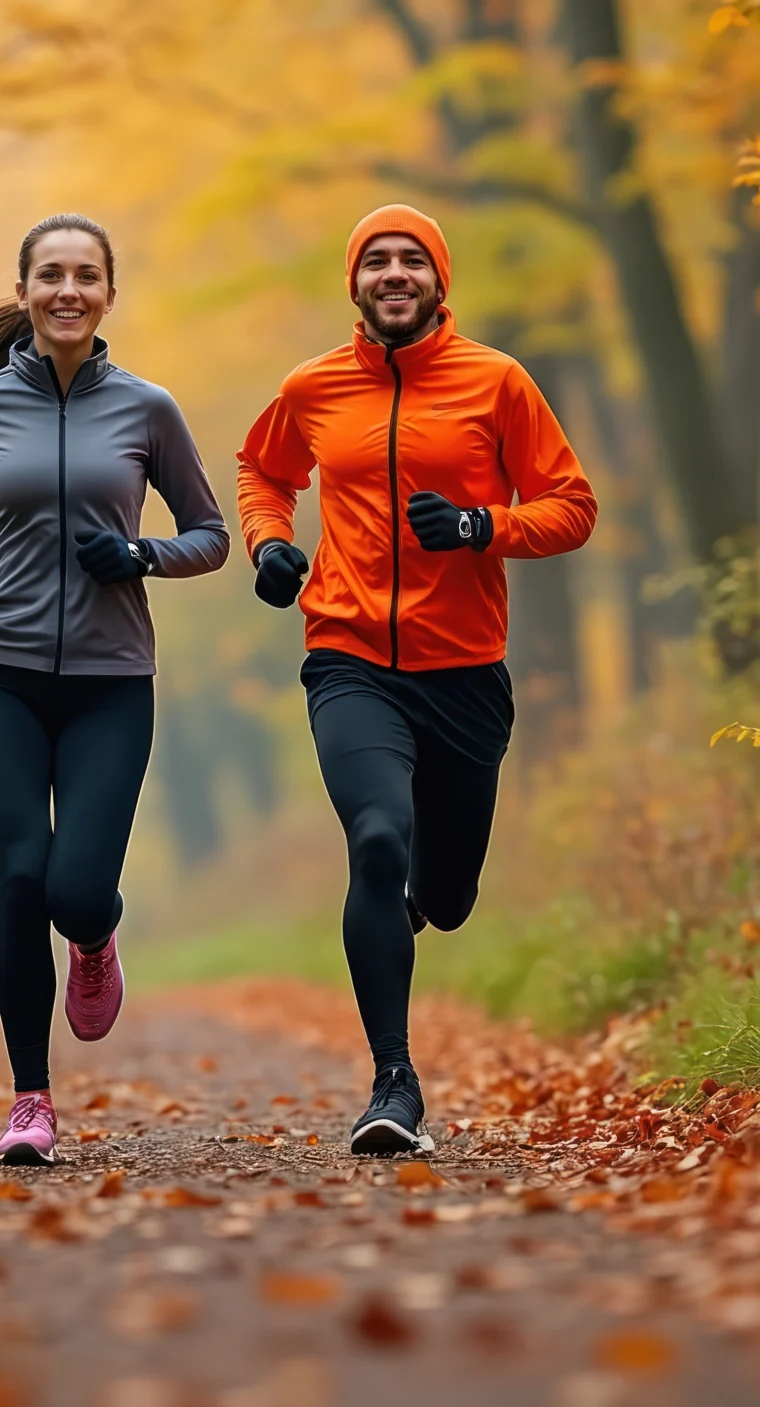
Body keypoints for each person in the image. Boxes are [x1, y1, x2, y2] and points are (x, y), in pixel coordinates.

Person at [237, 204, 597, 1156]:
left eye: (411, 261)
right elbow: (262, 471)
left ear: (438, 280)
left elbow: (573, 506)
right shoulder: (312, 388)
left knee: (447, 890)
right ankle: (392, 1081)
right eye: (375, 261)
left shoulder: (497, 381)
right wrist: (271, 545)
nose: (393, 274)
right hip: (349, 657)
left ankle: (406, 919)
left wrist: (485, 526)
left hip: (465, 672)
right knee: (378, 837)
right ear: (354, 283)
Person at [0, 213, 229, 1165]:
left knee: (76, 888)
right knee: (20, 878)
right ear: (24, 292)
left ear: (108, 296)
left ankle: (95, 939)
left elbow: (211, 534)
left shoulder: (147, 408)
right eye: (50, 275)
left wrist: (139, 552)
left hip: (111, 683)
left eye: (86, 276)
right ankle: (31, 1102)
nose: (67, 291)